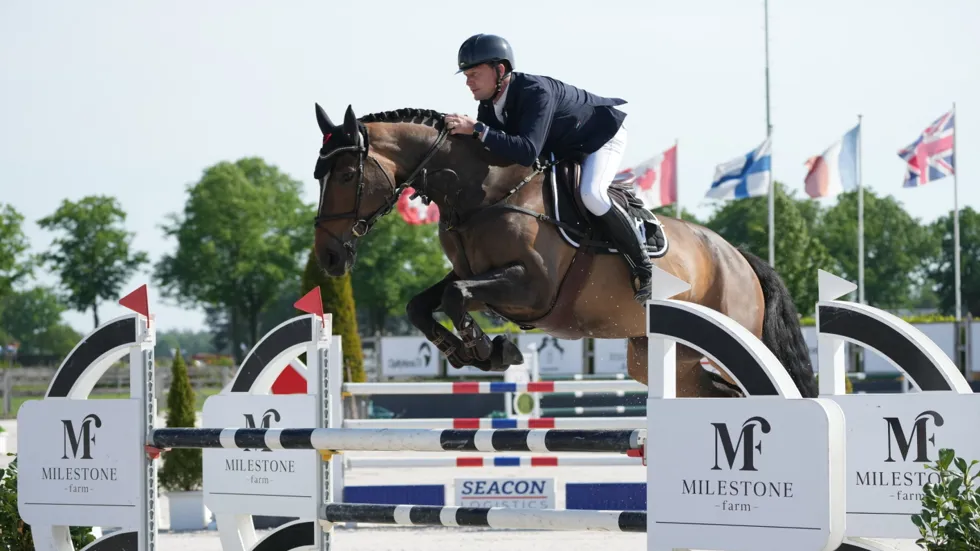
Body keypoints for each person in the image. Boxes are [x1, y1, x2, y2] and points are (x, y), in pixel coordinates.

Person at [444, 33, 653, 303]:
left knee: (591, 194)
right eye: (466, 75)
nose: (468, 82)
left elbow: (527, 150)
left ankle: (643, 267)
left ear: (500, 70)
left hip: (601, 136)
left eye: (474, 73)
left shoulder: (534, 92)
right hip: (562, 145)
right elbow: (491, 153)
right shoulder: (489, 105)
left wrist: (478, 129)